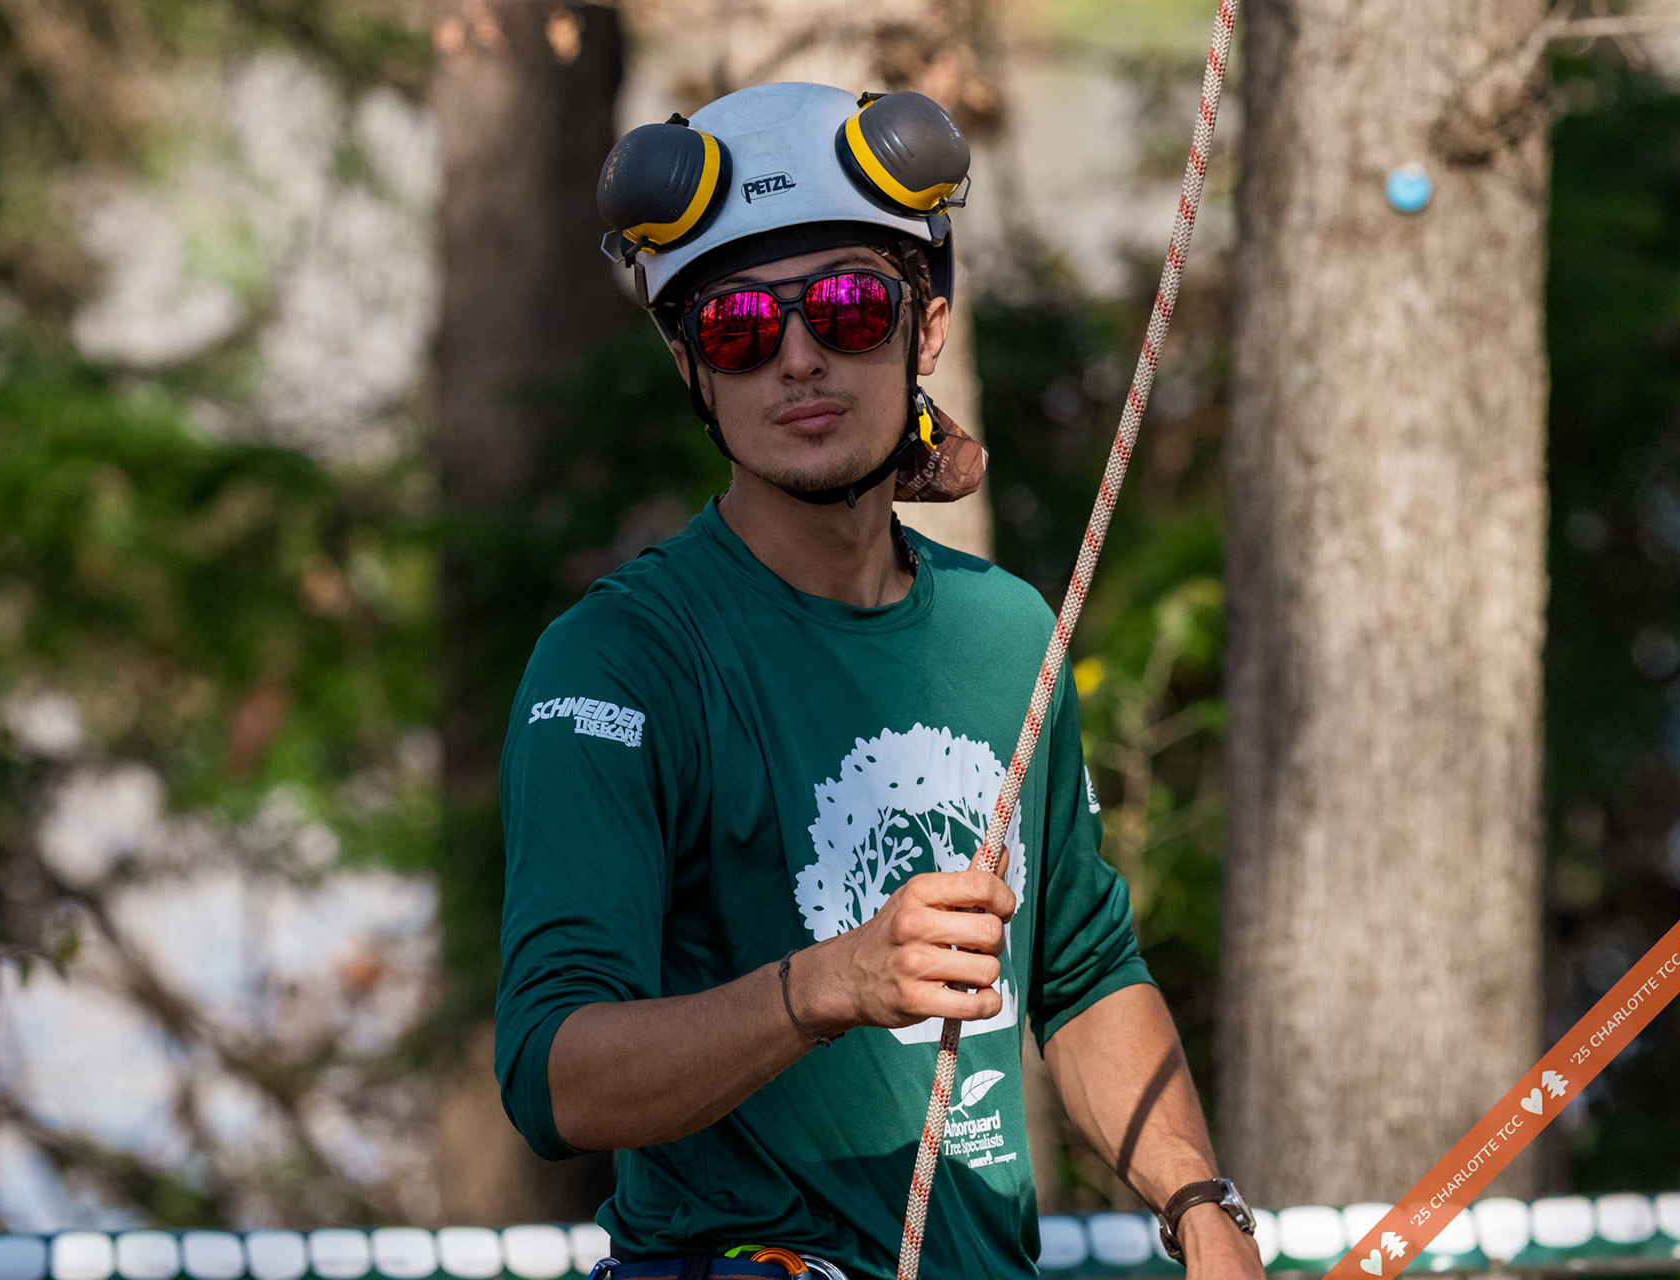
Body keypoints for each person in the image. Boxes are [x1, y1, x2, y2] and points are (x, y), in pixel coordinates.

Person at [493, 82, 1265, 1280]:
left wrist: (1202, 1207)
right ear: (690, 361)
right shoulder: (618, 664)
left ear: (929, 324)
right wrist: (828, 984)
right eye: (741, 326)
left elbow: (1081, 969)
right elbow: (553, 1072)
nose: (799, 357)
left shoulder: (1010, 632)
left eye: (850, 308)